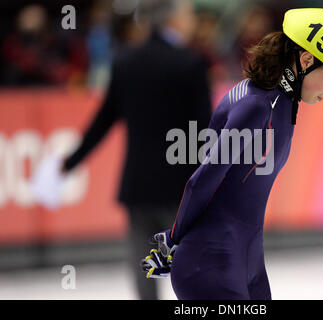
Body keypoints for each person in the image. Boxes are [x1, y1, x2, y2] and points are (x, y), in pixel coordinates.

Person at [141, 8, 323, 299]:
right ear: (307, 60)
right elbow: (204, 178)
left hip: (247, 263)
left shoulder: (282, 101)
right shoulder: (257, 105)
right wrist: (172, 240)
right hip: (209, 262)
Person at [62, 0, 212, 300]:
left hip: (138, 185)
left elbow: (103, 120)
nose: (192, 19)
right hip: (180, 187)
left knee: (145, 268)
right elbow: (204, 133)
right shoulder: (191, 63)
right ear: (174, 20)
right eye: (188, 14)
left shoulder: (126, 62)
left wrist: (70, 161)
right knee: (191, 266)